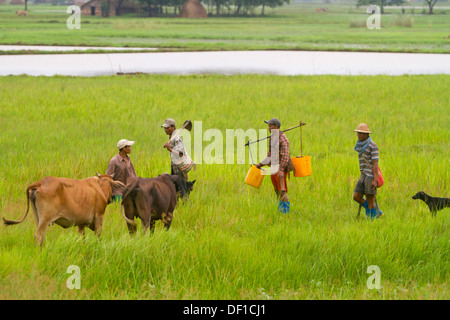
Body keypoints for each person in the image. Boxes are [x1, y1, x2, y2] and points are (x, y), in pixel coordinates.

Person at [255, 118, 291, 214]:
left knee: (282, 190)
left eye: (271, 126)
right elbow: (270, 155)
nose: (269, 128)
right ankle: (281, 210)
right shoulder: (272, 138)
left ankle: (285, 213)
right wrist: (260, 164)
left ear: (277, 127)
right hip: (273, 167)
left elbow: (285, 156)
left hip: (280, 168)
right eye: (268, 126)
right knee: (276, 190)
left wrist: (281, 170)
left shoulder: (283, 139)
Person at [352, 123, 383, 219]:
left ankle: (371, 220)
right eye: (358, 133)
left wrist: (374, 179)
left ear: (366, 134)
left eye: (361, 133)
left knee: (370, 199)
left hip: (370, 176)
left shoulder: (373, 146)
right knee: (356, 196)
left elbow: (375, 164)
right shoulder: (360, 145)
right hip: (363, 175)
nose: (358, 135)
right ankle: (375, 211)